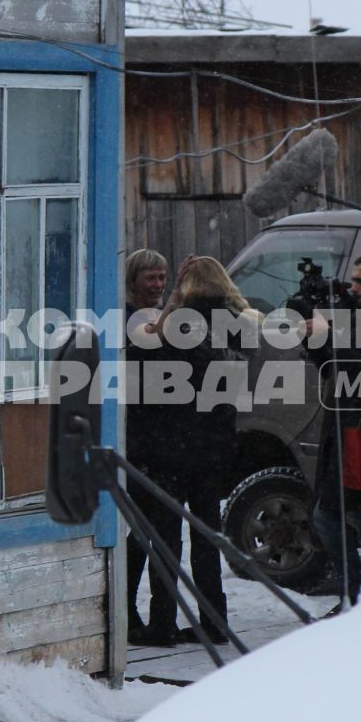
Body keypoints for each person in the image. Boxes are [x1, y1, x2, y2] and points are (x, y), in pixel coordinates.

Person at [132, 256, 252, 646]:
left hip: (172, 444)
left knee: (166, 539)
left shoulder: (181, 324)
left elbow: (148, 355)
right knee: (207, 537)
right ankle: (215, 622)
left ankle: (162, 623)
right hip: (216, 443)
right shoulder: (238, 323)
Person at [307, 253, 361, 607]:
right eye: (353, 280)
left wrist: (334, 334)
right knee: (333, 515)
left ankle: (360, 592)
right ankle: (357, 591)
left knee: (346, 518)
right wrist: (315, 340)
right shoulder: (358, 317)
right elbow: (333, 369)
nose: (354, 287)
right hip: (347, 431)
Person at [121, 249, 175, 646]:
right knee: (140, 529)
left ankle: (158, 617)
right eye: (150, 279)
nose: (157, 286)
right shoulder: (127, 319)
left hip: (165, 436)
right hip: (139, 436)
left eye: (162, 278)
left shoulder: (162, 318)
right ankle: (126, 608)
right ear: (133, 281)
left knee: (161, 531)